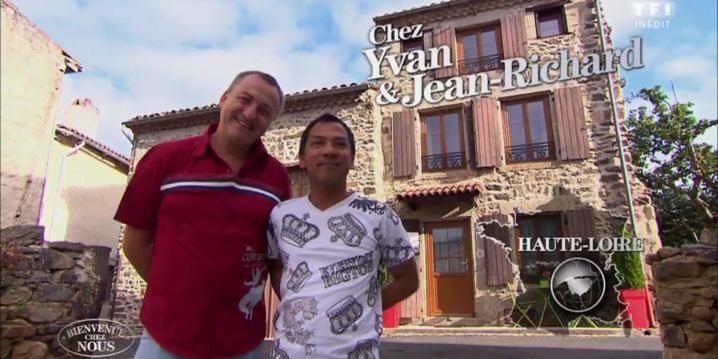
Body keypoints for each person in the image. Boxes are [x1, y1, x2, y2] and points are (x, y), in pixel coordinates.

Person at [114, 71, 291, 359]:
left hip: (243, 342)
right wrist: (175, 296)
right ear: (224, 99)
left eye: (264, 111)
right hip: (166, 338)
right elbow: (134, 243)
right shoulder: (164, 159)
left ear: (270, 123)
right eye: (244, 99)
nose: (250, 113)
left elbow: (277, 258)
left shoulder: (277, 178)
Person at [266, 113, 419, 358]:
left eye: (339, 144)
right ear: (302, 159)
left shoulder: (379, 215)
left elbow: (408, 280)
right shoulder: (280, 216)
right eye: (318, 143)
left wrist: (363, 308)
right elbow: (275, 268)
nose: (329, 150)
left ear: (353, 159)